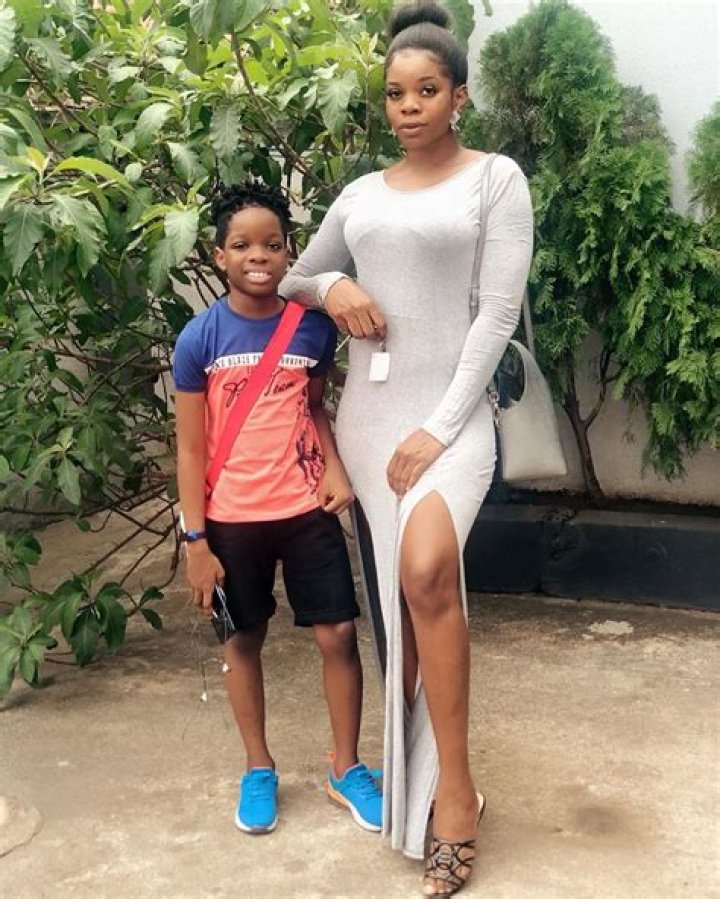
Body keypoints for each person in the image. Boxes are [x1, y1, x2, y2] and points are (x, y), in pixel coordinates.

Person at [279, 1, 533, 894]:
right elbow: (296, 276)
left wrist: (438, 427)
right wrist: (336, 286)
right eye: (395, 93)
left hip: (449, 422)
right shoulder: (359, 194)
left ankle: (454, 795)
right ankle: (423, 782)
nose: (409, 106)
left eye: (427, 90)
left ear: (459, 95)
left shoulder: (496, 180)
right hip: (370, 420)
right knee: (400, 613)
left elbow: (495, 317)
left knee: (427, 572)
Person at [172, 181, 382, 837]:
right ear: (219, 256)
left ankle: (346, 767)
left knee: (338, 634)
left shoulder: (311, 329)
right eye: (241, 245)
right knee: (242, 639)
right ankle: (258, 766)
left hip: (306, 508)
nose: (257, 256)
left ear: (289, 251)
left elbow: (313, 408)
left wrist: (336, 466)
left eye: (271, 244)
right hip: (231, 519)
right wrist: (196, 542)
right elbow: (189, 449)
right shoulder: (199, 339)